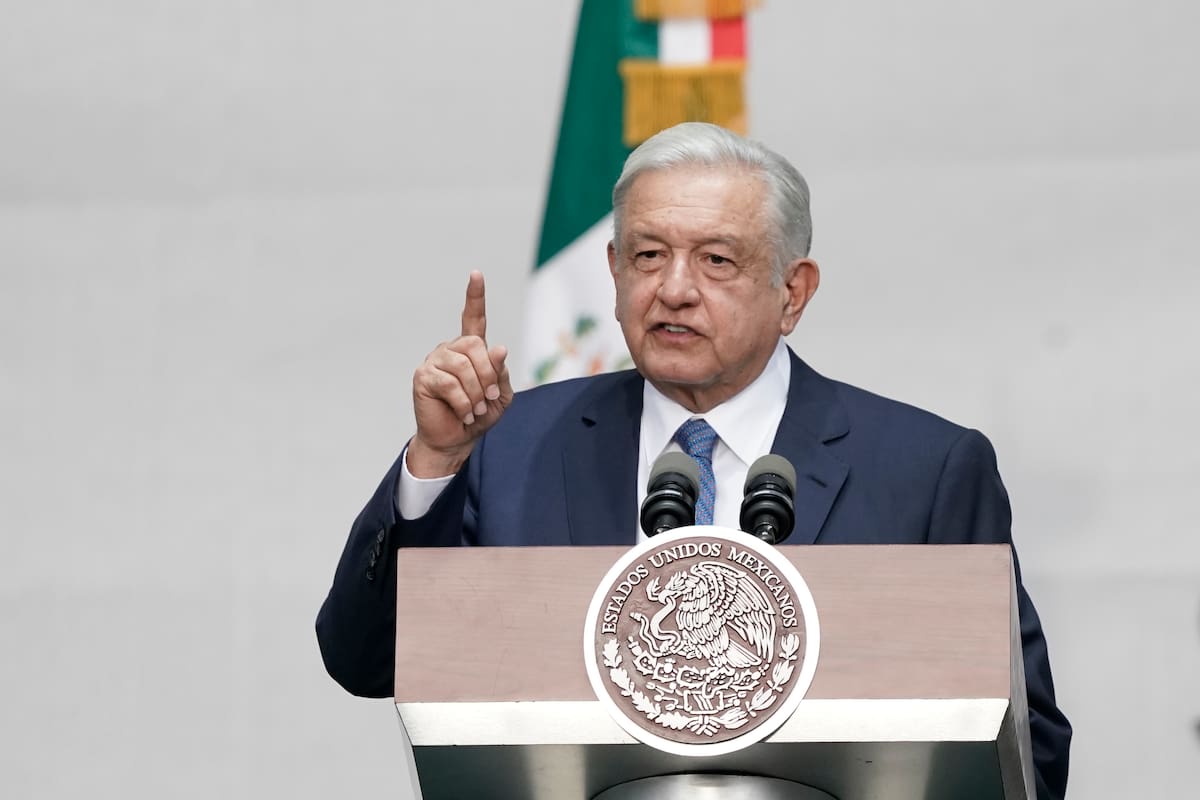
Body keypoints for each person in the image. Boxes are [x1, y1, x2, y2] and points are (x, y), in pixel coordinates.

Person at [316, 122, 1071, 798]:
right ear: (614, 274)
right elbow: (364, 660)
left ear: (793, 292)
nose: (674, 289)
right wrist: (438, 461)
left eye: (716, 260)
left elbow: (1027, 746)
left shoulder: (926, 468)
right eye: (648, 255)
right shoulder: (511, 444)